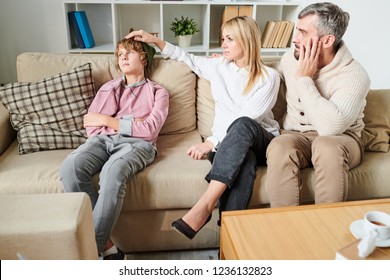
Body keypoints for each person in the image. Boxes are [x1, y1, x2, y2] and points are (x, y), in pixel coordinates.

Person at [127, 16, 280, 239]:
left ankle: (204, 206)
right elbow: (185, 57)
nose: (223, 44)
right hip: (233, 148)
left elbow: (247, 118)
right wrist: (154, 41)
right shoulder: (219, 66)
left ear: (246, 41)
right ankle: (229, 243)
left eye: (230, 39)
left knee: (244, 125)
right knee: (243, 163)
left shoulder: (269, 77)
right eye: (223, 38)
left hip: (261, 143)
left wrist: (212, 142)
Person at [60, 37, 169, 259]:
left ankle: (90, 251)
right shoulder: (109, 88)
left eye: (129, 52)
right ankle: (108, 246)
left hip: (139, 145)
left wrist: (109, 120)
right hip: (102, 140)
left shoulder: (159, 92)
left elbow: (149, 131)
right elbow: (90, 123)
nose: (124, 57)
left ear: (144, 58)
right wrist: (132, 122)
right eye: (120, 55)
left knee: (113, 171)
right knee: (71, 166)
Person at [266, 2, 370, 207]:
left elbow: (330, 128)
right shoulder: (290, 58)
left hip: (342, 138)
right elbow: (268, 76)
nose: (295, 39)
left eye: (303, 33)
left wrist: (305, 79)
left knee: (326, 146)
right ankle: (283, 227)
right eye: (297, 31)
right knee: (278, 145)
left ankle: (325, 230)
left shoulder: (354, 75)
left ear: (327, 40)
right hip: (296, 135)